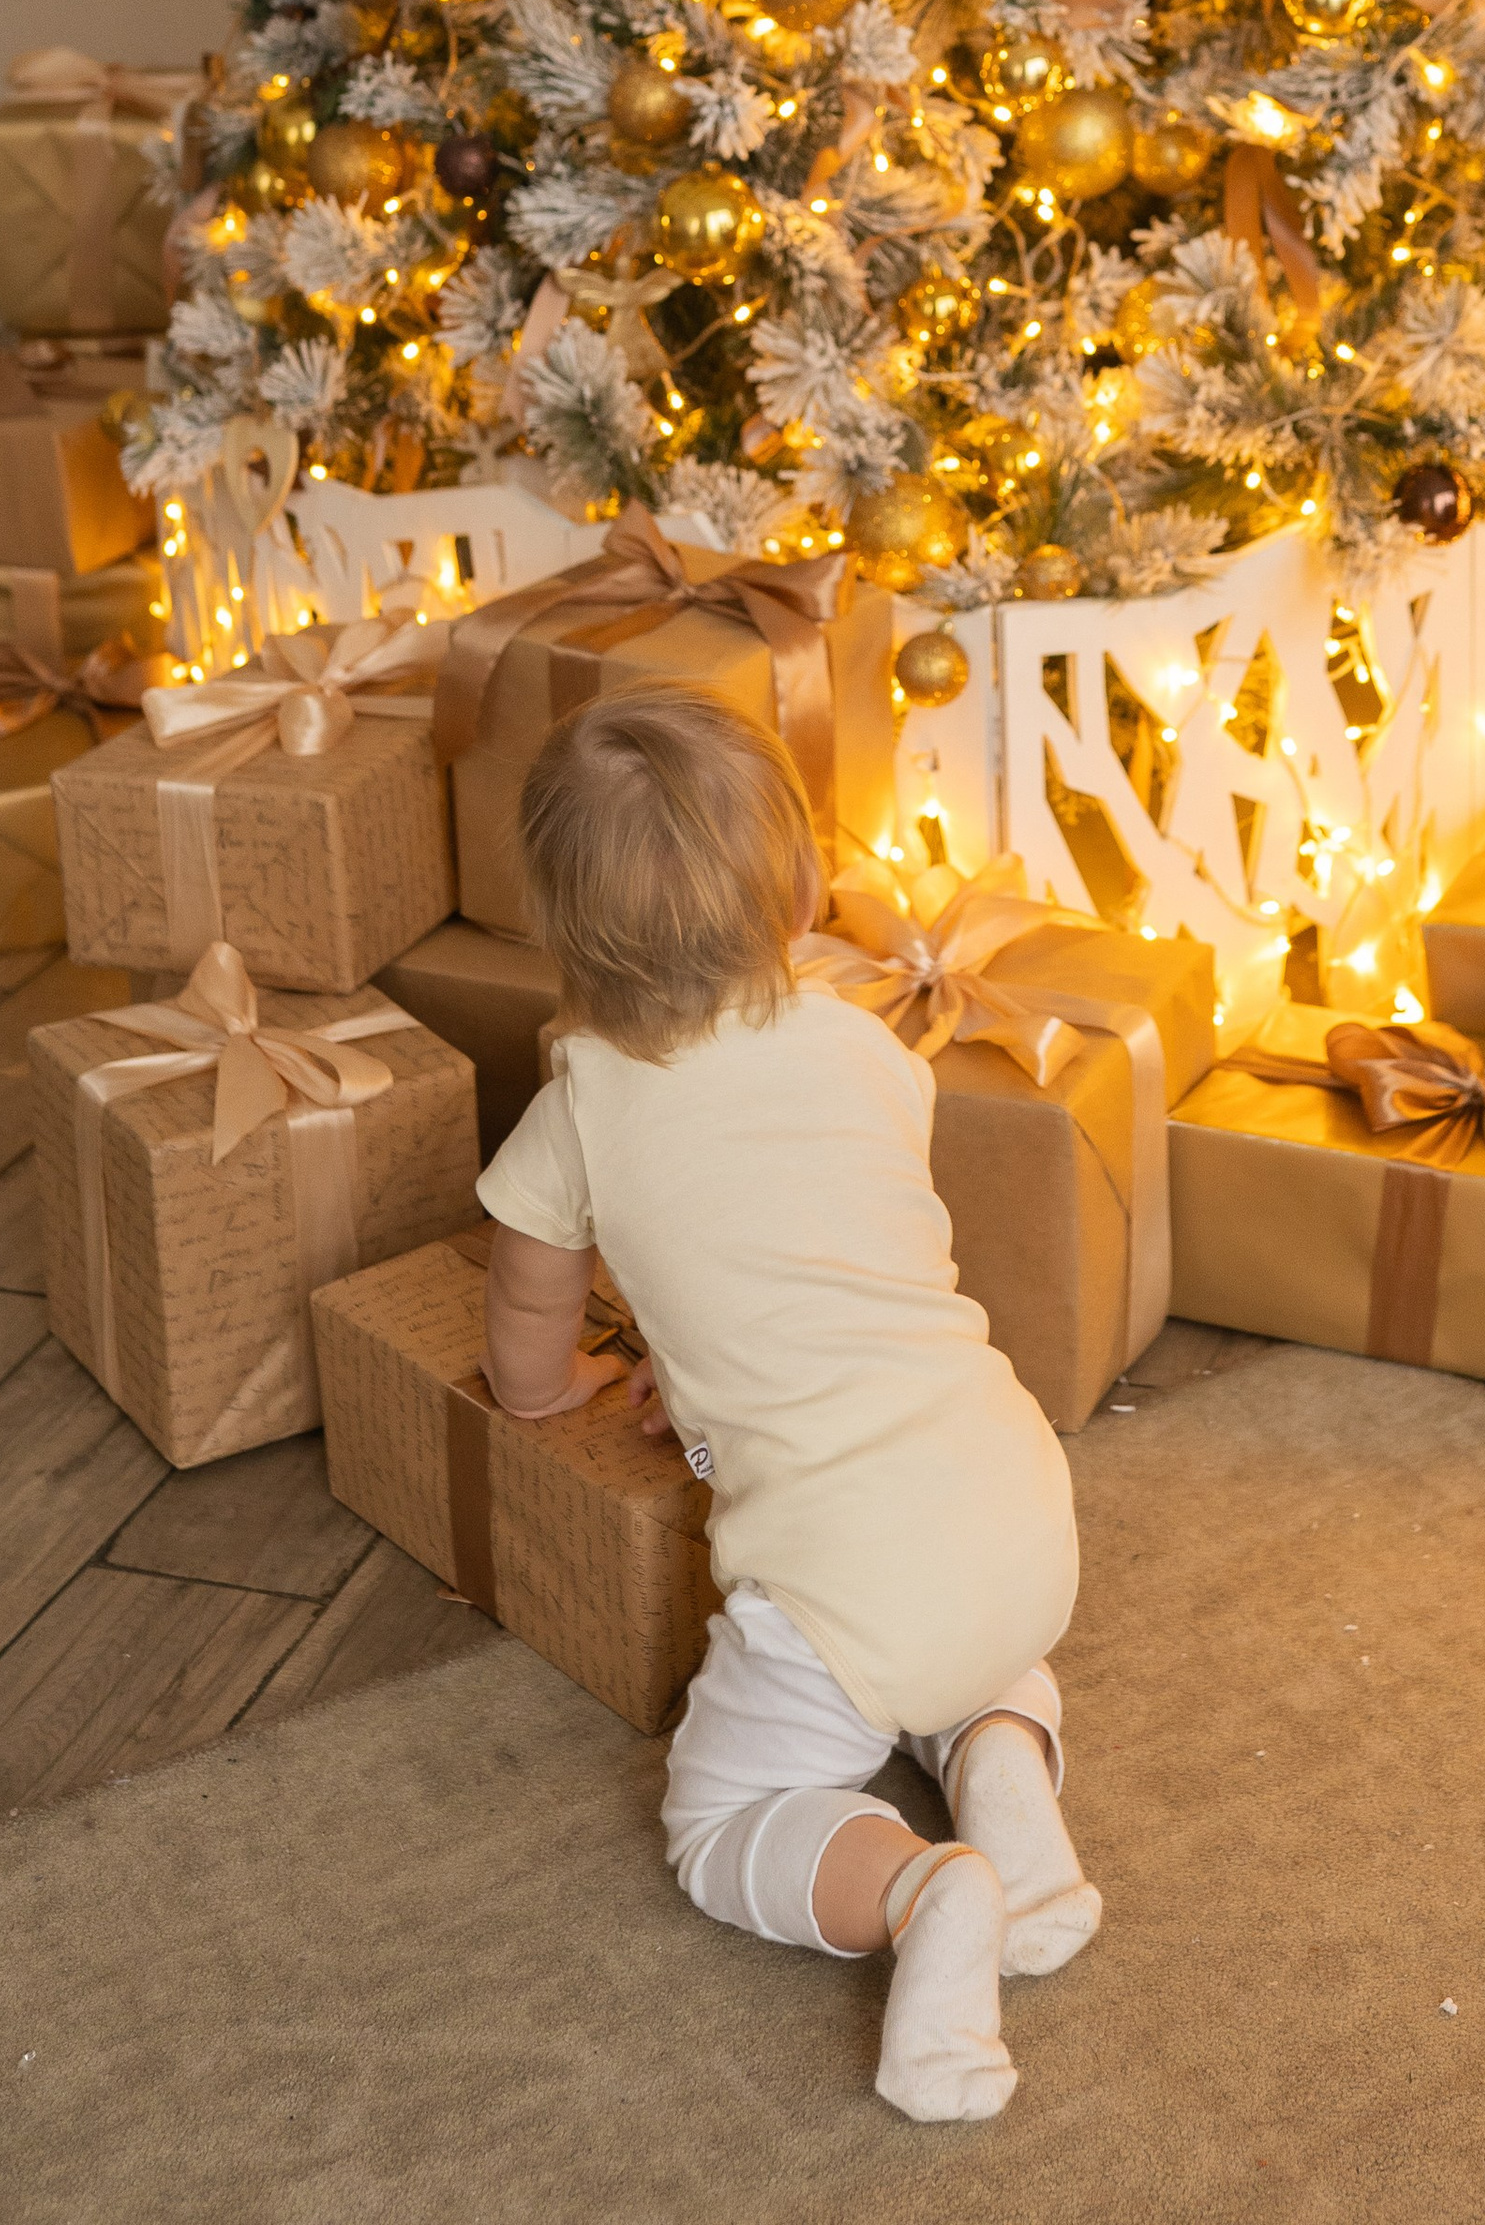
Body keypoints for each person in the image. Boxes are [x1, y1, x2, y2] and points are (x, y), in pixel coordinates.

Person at [475, 682, 1096, 2123]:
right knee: (956, 1648)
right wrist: (700, 1368)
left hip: (836, 1580)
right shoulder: (871, 1054)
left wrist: (556, 1384)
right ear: (808, 890)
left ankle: (925, 1893)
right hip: (1017, 1502)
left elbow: (524, 1320)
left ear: (554, 938)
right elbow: (808, 1260)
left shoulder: (577, 1110)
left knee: (721, 1822)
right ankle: (1001, 1759)